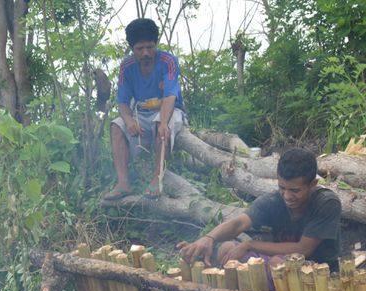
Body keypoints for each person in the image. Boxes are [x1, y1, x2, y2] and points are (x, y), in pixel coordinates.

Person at [179, 148, 341, 274]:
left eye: (295, 190)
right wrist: (209, 238)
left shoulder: (326, 203)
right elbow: (239, 224)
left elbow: (303, 249)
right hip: (276, 266)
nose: (287, 196)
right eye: (282, 188)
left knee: (277, 264)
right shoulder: (273, 201)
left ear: (312, 185)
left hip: (317, 272)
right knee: (227, 248)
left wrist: (250, 245)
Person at [103, 18, 186, 201]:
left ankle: (157, 178)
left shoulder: (168, 61)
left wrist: (164, 122)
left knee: (160, 125)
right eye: (140, 49)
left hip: (169, 110)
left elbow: (170, 96)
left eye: (150, 47)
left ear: (156, 44)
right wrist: (129, 121)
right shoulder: (126, 67)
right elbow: (123, 102)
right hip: (140, 113)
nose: (146, 53)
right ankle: (123, 183)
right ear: (132, 49)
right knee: (116, 126)